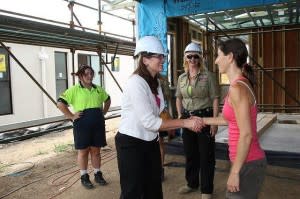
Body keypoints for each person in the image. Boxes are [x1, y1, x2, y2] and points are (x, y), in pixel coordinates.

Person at [115, 35, 204, 199]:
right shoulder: (136, 83)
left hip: (150, 142)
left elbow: (160, 112)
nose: (163, 59)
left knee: (154, 188)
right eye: (159, 56)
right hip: (131, 144)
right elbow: (150, 122)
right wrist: (185, 122)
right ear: (145, 59)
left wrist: (178, 122)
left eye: (163, 56)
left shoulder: (155, 82)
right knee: (132, 191)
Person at [205, 38, 266, 199]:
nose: (216, 60)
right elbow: (230, 120)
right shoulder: (240, 84)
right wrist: (202, 120)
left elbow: (246, 134)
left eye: (218, 55)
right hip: (245, 161)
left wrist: (235, 172)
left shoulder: (237, 88)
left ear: (230, 57)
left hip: (248, 162)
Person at [176, 42, 219, 199]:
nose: (193, 59)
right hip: (187, 119)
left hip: (204, 118)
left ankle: (206, 190)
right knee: (190, 154)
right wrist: (181, 116)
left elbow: (215, 99)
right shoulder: (181, 77)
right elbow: (178, 98)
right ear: (185, 58)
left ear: (200, 58)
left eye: (196, 56)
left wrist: (214, 122)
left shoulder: (208, 76)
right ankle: (191, 183)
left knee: (206, 155)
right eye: (190, 56)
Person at [57, 65, 111, 189]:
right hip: (82, 124)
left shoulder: (98, 89)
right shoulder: (74, 90)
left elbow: (107, 100)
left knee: (96, 151)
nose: (90, 76)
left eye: (91, 73)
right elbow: (60, 103)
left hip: (97, 123)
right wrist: (71, 116)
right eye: (86, 74)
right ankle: (84, 176)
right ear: (80, 76)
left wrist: (103, 112)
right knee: (83, 151)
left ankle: (97, 174)